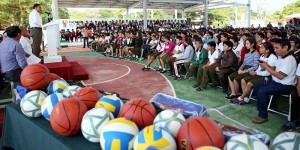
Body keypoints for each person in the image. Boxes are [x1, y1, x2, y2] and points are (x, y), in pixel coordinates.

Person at [252, 39, 297, 124]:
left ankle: (263, 115)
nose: (275, 50)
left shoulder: (289, 60)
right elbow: (275, 69)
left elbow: (280, 76)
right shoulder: (280, 57)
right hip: (275, 82)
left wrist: (266, 67)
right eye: (274, 48)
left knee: (262, 91)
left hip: (285, 85)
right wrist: (266, 65)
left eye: (277, 48)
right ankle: (265, 105)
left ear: (286, 48)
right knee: (257, 85)